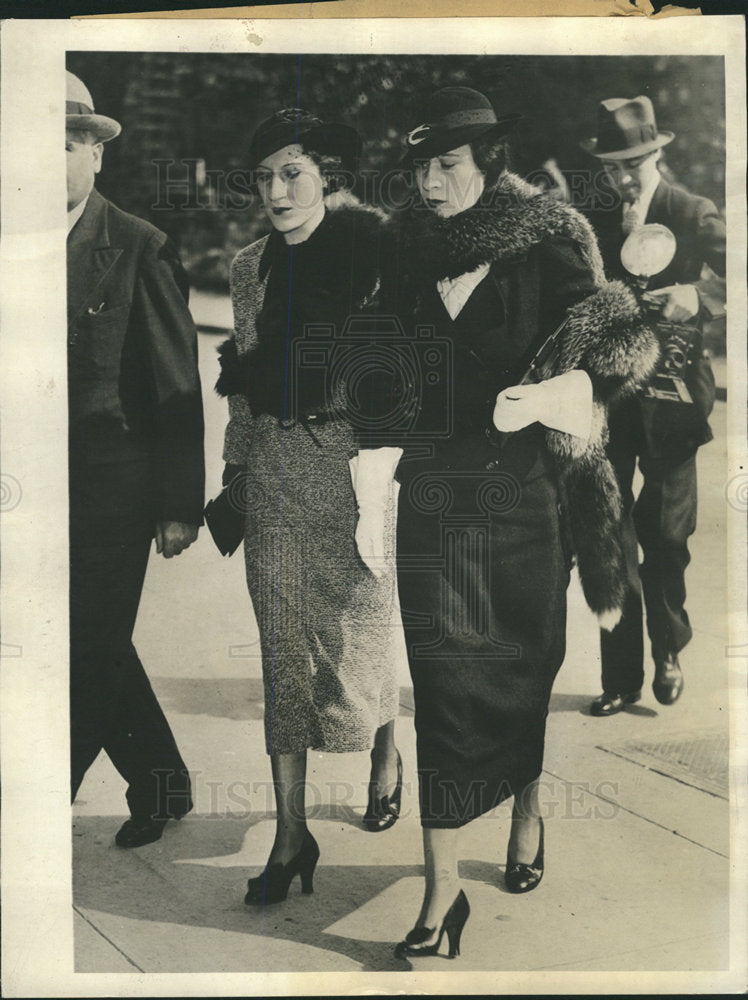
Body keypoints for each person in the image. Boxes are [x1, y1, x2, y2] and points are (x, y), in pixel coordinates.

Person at [361, 86, 658, 959]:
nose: (427, 182)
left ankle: (527, 810)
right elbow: (379, 365)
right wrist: (371, 467)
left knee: (523, 674)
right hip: (435, 500)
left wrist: (566, 392)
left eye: (446, 164)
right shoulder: (407, 250)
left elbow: (619, 341)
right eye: (418, 166)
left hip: (527, 498)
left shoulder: (551, 235)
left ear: (489, 162)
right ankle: (440, 891)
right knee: (447, 689)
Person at [215, 108, 404, 906]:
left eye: (292, 172)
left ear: (327, 174)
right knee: (282, 651)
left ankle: (386, 747)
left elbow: (403, 367)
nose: (276, 190)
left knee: (363, 627)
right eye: (264, 178)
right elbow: (240, 380)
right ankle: (292, 833)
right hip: (273, 470)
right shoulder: (248, 265)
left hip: (354, 465)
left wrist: (391, 466)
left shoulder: (373, 250)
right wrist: (232, 477)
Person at [66, 71, 205, 847]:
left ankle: (40, 788)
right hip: (34, 487)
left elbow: (174, 383)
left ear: (95, 154)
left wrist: (179, 502)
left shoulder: (137, 246)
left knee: (83, 641)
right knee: (95, 639)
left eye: (65, 144)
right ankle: (163, 782)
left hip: (113, 486)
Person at [581, 96, 726, 716]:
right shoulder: (593, 215)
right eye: (613, 166)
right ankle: (620, 678)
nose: (623, 178)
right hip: (607, 403)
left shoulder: (692, 211)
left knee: (666, 539)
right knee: (609, 540)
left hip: (673, 403)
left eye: (634, 162)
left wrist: (698, 295)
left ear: (657, 153)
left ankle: (669, 647)